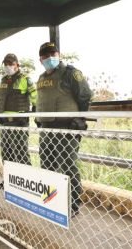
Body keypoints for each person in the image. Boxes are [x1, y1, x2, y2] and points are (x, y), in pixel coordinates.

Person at [35, 42, 92, 216]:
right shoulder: (41, 77)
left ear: (58, 54)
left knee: (68, 166)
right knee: (47, 165)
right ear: (40, 59)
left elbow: (85, 96)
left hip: (66, 129)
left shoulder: (71, 74)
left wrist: (78, 118)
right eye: (45, 56)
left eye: (53, 54)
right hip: (46, 129)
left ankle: (73, 204)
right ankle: (53, 201)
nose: (49, 58)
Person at [0, 53, 37, 190]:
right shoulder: (3, 80)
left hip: (19, 123)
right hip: (5, 123)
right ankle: (9, 182)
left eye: (10, 64)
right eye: (5, 64)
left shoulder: (26, 79)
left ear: (17, 65)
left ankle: (28, 185)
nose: (8, 66)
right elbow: (0, 98)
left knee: (21, 154)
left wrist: (35, 113)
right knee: (6, 154)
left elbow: (35, 97)